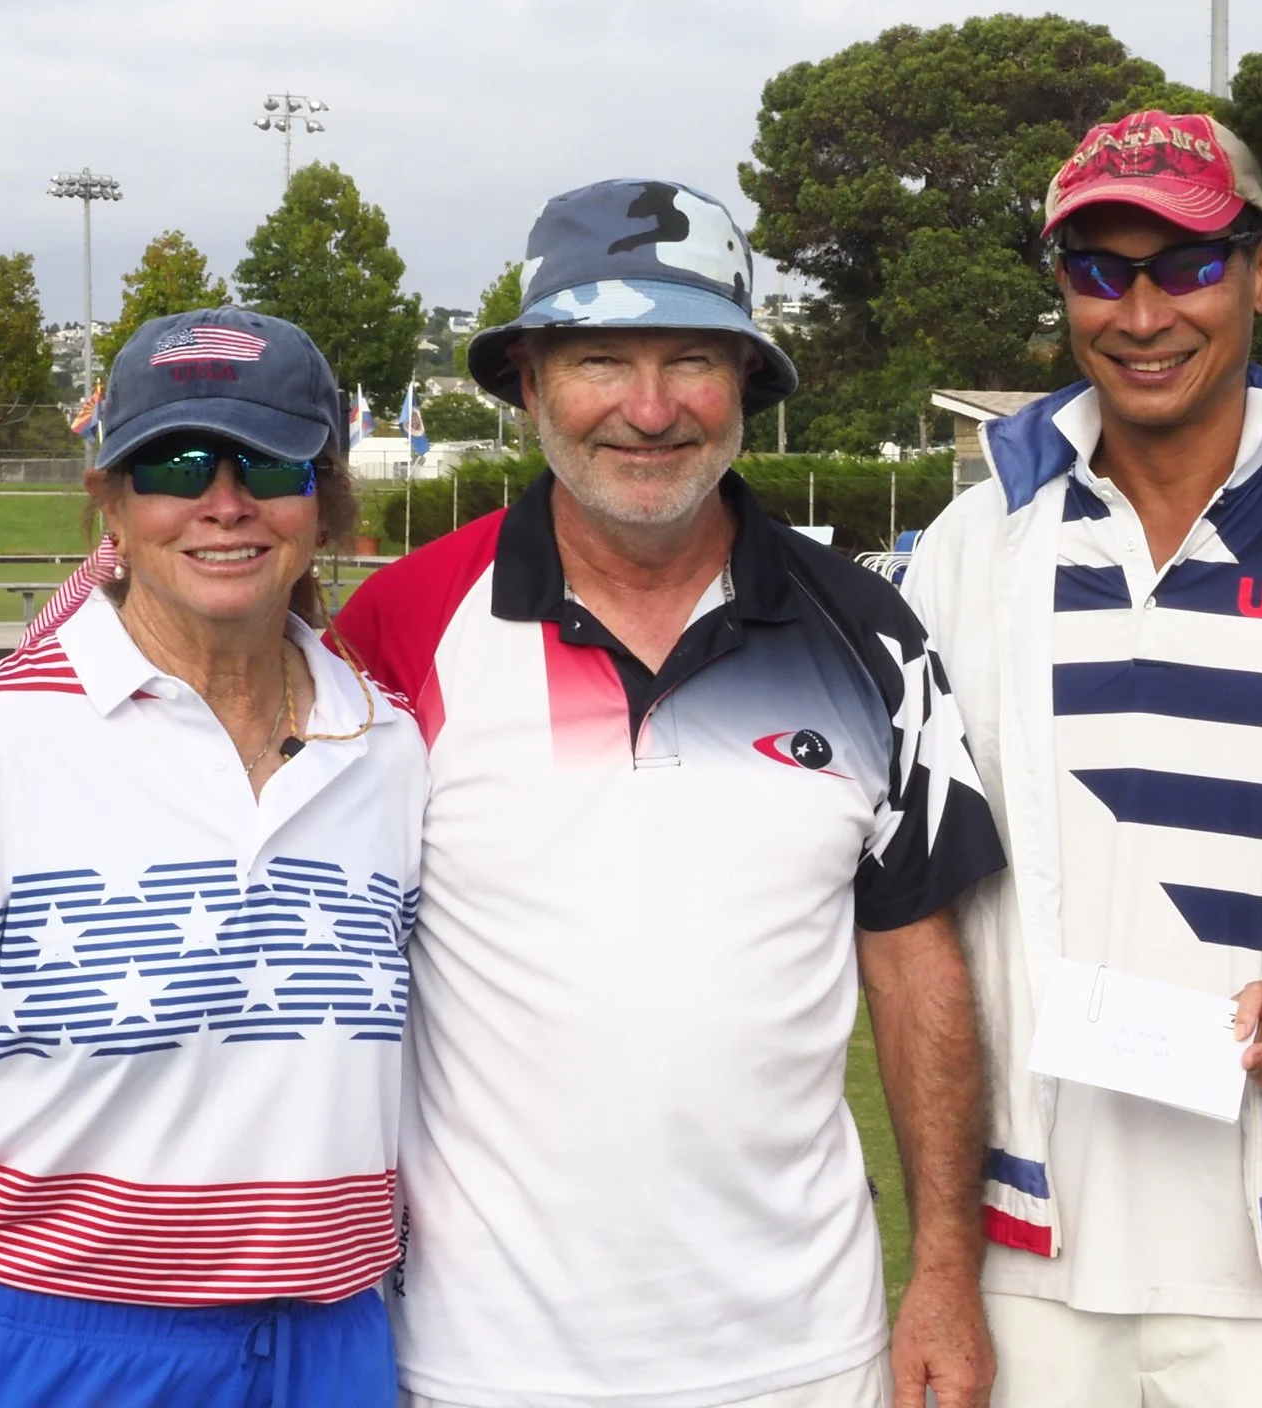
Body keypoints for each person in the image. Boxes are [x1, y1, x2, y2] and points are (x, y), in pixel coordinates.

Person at [334, 180, 1007, 1408]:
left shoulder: (868, 634)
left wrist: (946, 1276)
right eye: (599, 360)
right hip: (477, 1365)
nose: (648, 410)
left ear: (746, 383)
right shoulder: (399, 626)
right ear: (530, 384)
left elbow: (917, 972)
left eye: (692, 358)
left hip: (807, 1355)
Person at [898, 109, 1262, 1406]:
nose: (1141, 312)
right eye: (1098, 272)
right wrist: (942, 1256)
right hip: (1032, 1257)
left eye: (1186, 265)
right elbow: (909, 914)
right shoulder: (971, 546)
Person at [0, 309, 427, 1408]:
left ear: (323, 498)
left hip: (338, 1346)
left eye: (272, 463)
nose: (223, 501)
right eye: (175, 463)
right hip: (59, 1346)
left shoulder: (388, 748)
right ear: (109, 496)